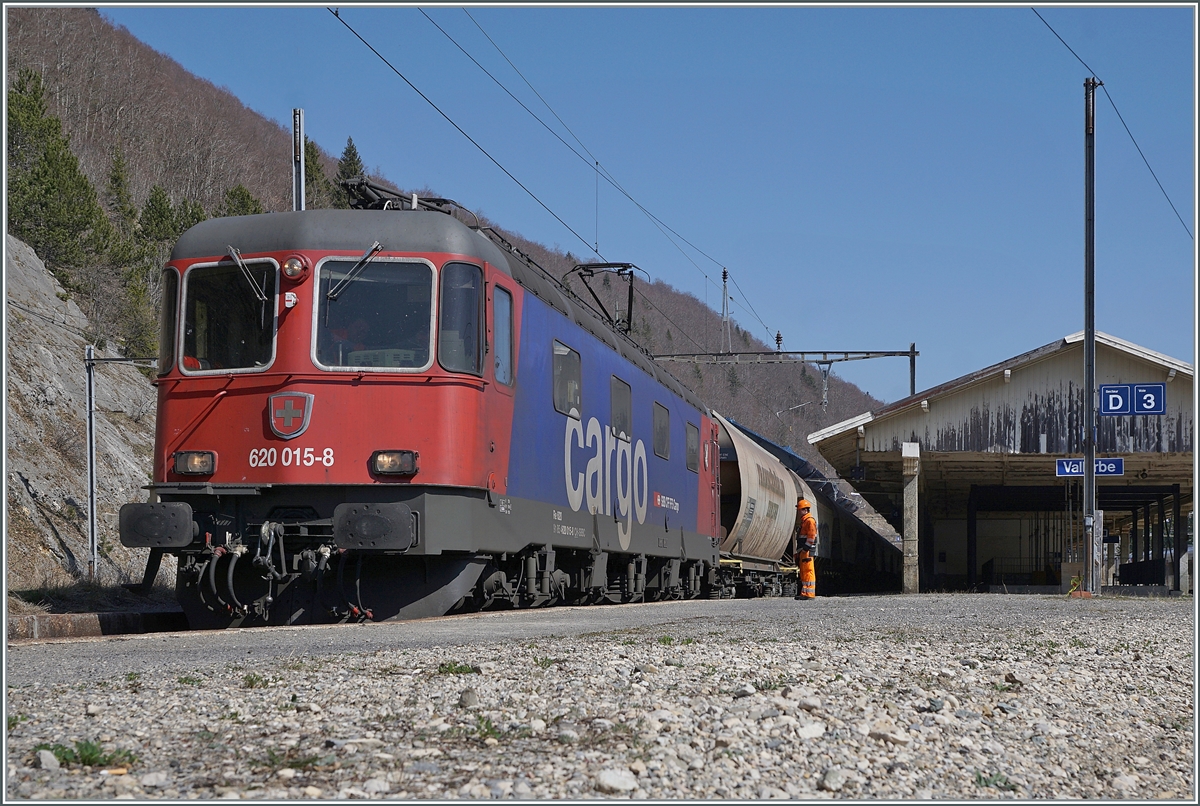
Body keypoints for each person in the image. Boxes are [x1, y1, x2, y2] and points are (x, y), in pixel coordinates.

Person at [794, 497, 817, 600]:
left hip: (807, 551)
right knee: (804, 572)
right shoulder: (805, 521)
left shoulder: (809, 521)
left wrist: (805, 549)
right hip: (804, 550)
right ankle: (805, 592)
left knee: (808, 571)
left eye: (799, 510)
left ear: (805, 509)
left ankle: (809, 594)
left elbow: (811, 537)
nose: (798, 512)